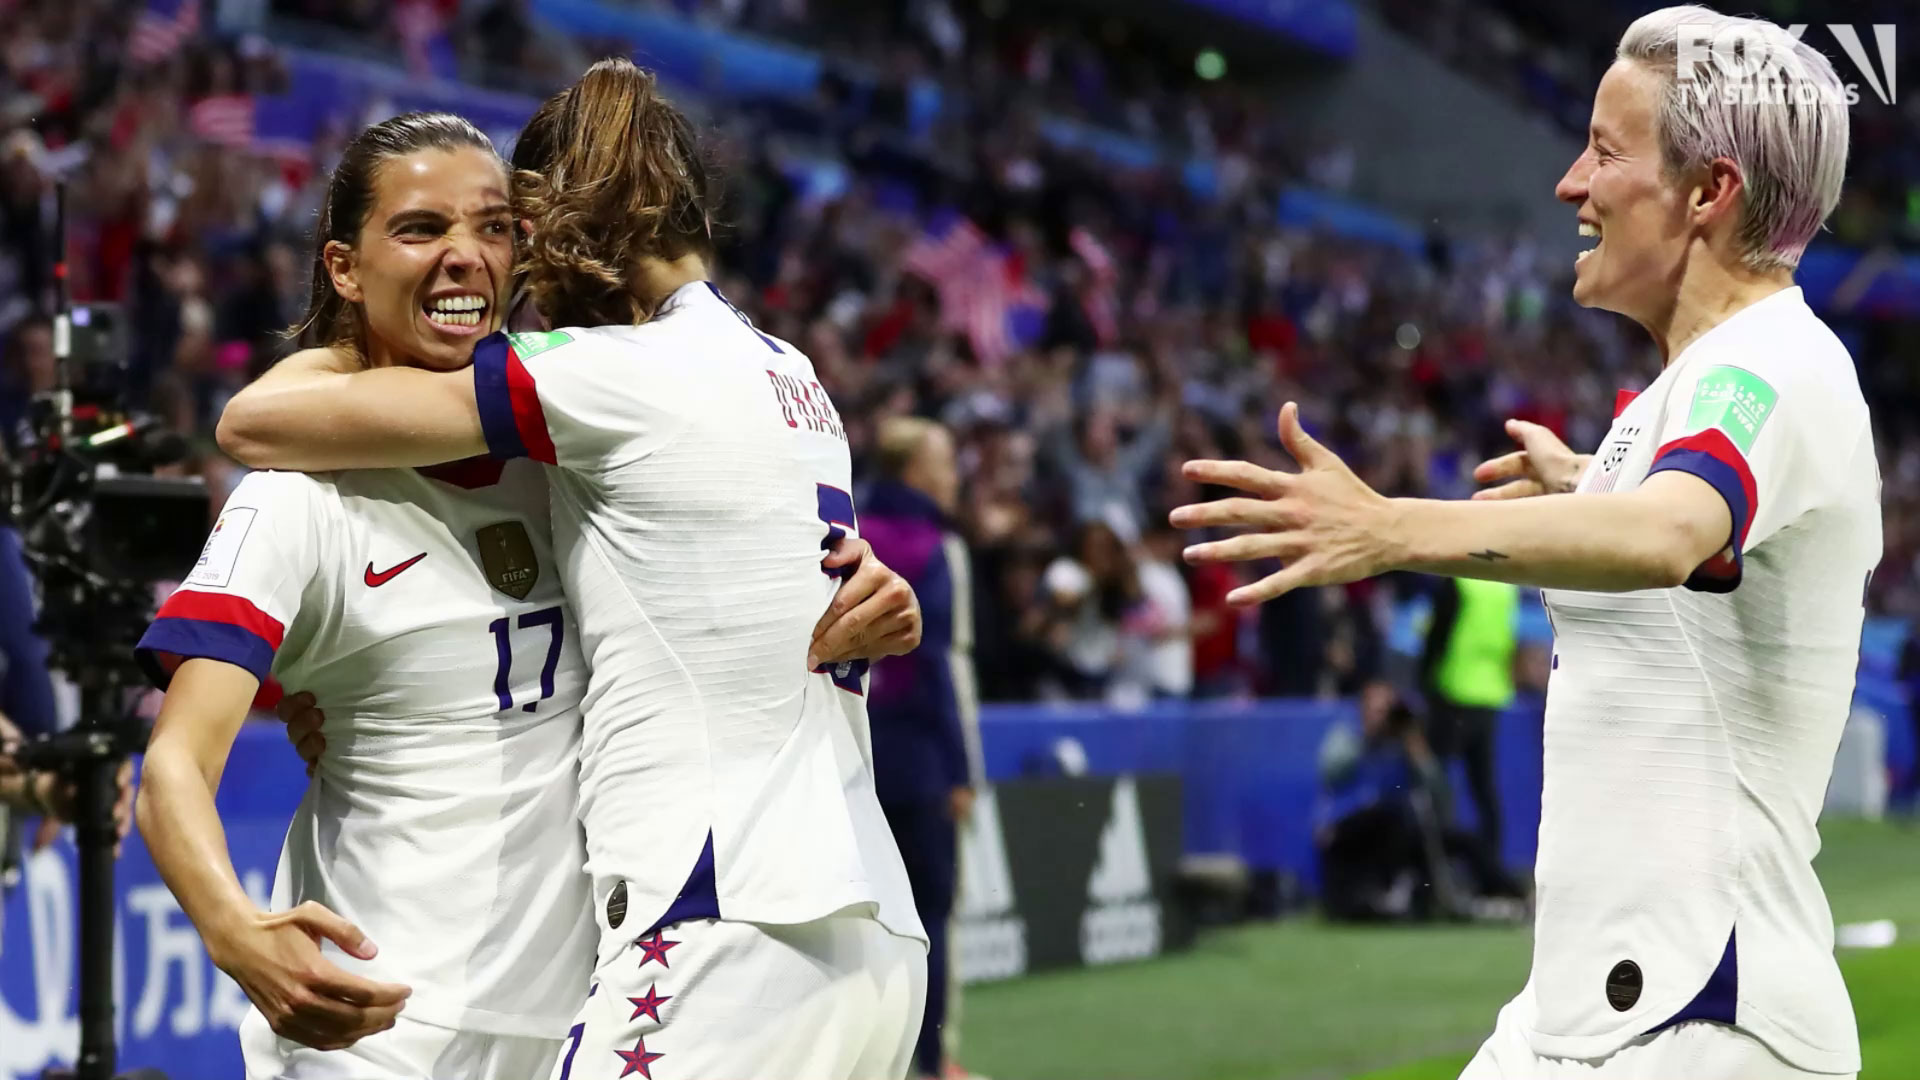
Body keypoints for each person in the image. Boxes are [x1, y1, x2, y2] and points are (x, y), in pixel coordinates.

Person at [134, 110, 917, 1080]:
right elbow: (173, 766)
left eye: (495, 227)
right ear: (345, 268)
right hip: (375, 1047)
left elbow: (730, 546)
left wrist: (857, 580)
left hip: (594, 1022)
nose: (465, 256)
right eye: (421, 229)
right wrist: (236, 930)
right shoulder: (300, 498)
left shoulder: (580, 468)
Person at [1172, 7, 1873, 1078]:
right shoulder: (1692, 392)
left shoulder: (1766, 363)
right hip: (1600, 1006)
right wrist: (1598, 476)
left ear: (1707, 191)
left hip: (1700, 1014)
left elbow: (1671, 533)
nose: (1568, 185)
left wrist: (1388, 527)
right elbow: (1699, 567)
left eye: (1603, 150)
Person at [861, 416, 982, 1080]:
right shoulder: (935, 546)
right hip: (917, 759)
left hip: (846, 754)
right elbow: (936, 665)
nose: (953, 473)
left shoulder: (841, 529)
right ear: (914, 471)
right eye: (944, 461)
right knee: (930, 913)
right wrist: (960, 771)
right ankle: (932, 1063)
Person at [1417, 576, 1519, 855]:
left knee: (1438, 784)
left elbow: (1438, 635)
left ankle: (1441, 861)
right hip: (1491, 694)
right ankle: (1491, 861)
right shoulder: (1504, 586)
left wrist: (1423, 680)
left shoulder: (1460, 583)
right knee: (1483, 787)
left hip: (1454, 693)